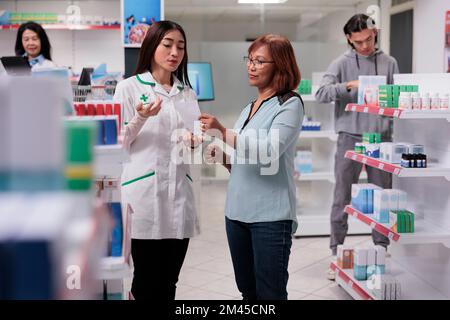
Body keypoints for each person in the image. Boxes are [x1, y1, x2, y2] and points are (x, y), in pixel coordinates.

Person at [200, 34, 304, 300]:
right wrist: (223, 157)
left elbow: (269, 151)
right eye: (250, 59)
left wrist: (222, 131)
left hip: (270, 218)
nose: (251, 66)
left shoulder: (289, 104)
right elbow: (246, 162)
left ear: (280, 65)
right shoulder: (248, 108)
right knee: (247, 290)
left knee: (270, 293)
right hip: (236, 214)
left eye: (260, 61)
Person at [113, 20, 201, 300]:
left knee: (169, 283)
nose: (175, 52)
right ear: (152, 46)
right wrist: (141, 117)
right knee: (146, 283)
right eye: (168, 44)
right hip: (144, 197)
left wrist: (196, 140)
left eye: (181, 46)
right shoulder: (128, 88)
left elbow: (193, 139)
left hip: (179, 196)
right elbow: (119, 143)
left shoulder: (187, 94)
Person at [315, 14, 399, 280]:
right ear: (349, 39)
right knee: (342, 196)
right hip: (350, 137)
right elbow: (321, 94)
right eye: (358, 42)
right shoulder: (341, 63)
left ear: (375, 33)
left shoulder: (389, 62)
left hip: (381, 138)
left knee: (383, 198)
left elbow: (397, 99)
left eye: (369, 39)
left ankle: (381, 249)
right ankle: (336, 250)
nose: (364, 46)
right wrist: (347, 86)